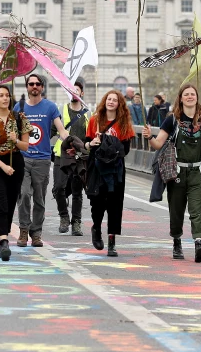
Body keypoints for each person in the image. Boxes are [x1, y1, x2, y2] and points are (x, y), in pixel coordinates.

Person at [143, 85, 201, 263]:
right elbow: (158, 144)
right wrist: (150, 136)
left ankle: (198, 243)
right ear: (180, 99)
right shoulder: (172, 120)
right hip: (177, 172)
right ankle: (177, 241)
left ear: (197, 98)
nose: (190, 97)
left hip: (197, 172)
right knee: (176, 211)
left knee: (196, 210)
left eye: (193, 94)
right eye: (186, 95)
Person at [13, 74, 69, 247]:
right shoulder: (19, 107)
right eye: (31, 84)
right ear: (27, 87)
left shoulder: (50, 107)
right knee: (23, 194)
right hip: (23, 158)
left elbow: (61, 129)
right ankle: (23, 230)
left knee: (39, 198)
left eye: (38, 84)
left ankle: (36, 233)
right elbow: (12, 132)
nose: (34, 86)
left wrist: (70, 142)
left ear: (42, 87)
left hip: (43, 160)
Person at [0, 84, 32, 261]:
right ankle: (3, 241)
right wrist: (3, 166)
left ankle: (4, 232)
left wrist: (15, 140)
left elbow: (26, 145)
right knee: (1, 202)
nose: (5, 98)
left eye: (7, 95)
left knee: (10, 204)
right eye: (1, 95)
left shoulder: (19, 118)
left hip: (15, 162)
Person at [86, 90, 135, 256]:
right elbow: (87, 143)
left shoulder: (124, 124)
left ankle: (112, 241)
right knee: (97, 202)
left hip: (115, 169)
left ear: (119, 104)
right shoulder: (95, 120)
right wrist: (94, 142)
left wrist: (111, 146)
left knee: (114, 205)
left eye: (115, 100)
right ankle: (96, 228)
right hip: (97, 168)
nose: (111, 102)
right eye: (109, 99)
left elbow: (126, 149)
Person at [52, 82, 89, 235]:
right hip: (62, 155)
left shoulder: (88, 114)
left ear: (82, 93)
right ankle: (64, 216)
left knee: (77, 192)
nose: (74, 93)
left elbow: (91, 135)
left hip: (79, 157)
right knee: (59, 188)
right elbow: (52, 131)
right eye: (71, 91)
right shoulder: (61, 111)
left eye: (77, 90)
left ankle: (76, 223)